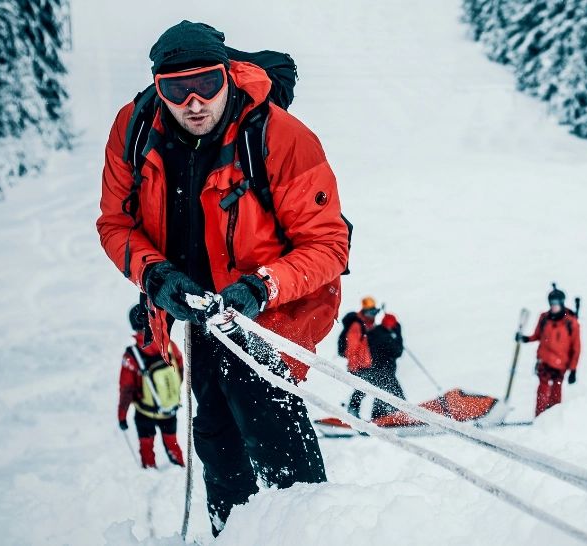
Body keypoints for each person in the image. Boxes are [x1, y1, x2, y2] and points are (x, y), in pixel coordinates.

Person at [96, 21, 349, 535]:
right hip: (194, 311)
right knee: (213, 435)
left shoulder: (279, 136)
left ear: (228, 76)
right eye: (175, 89)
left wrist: (262, 287)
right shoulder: (135, 129)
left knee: (268, 419)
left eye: (207, 84)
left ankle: (306, 527)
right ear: (156, 87)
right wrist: (158, 277)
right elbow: (116, 222)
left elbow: (328, 244)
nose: (193, 101)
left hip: (268, 313)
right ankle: (228, 530)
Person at [118, 303, 185, 469]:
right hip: (169, 407)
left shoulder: (131, 355)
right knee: (172, 442)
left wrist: (122, 415)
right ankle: (179, 469)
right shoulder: (169, 345)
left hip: (145, 411)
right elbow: (180, 371)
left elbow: (126, 389)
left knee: (146, 445)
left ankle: (149, 471)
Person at [516, 285, 581, 416]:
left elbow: (576, 348)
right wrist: (525, 339)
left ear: (562, 303)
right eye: (551, 303)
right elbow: (537, 335)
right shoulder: (544, 318)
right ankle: (539, 418)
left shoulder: (571, 322)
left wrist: (573, 370)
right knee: (542, 390)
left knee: (556, 391)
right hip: (544, 361)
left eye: (556, 303)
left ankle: (553, 418)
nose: (554, 306)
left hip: (560, 363)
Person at [364, 312, 406, 419]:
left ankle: (378, 419)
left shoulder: (375, 333)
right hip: (384, 372)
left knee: (381, 396)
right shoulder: (385, 337)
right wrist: (399, 334)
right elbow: (398, 351)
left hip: (375, 370)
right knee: (397, 396)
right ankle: (402, 418)